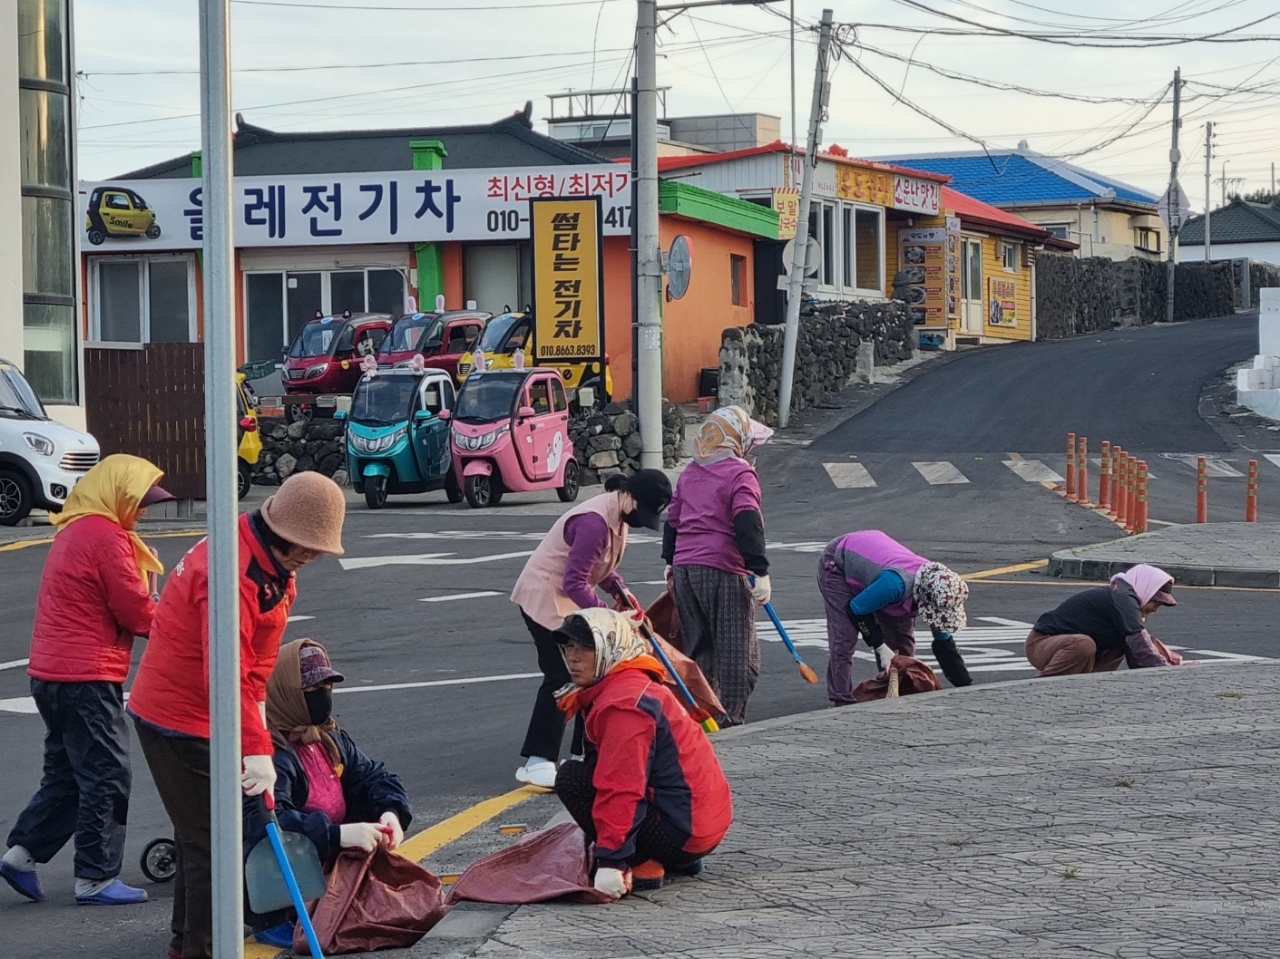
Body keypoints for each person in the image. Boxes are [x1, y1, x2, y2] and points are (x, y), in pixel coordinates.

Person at [127, 471, 346, 959]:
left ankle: (187, 945)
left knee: (201, 837)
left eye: (316, 551)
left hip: (213, 712)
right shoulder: (229, 574)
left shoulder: (276, 575)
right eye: (302, 548)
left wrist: (259, 738)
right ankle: (203, 951)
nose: (308, 559)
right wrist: (255, 748)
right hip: (172, 716)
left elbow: (256, 668)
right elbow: (224, 674)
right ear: (277, 531)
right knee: (212, 843)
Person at [1, 455, 173, 906]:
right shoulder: (107, 537)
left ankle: (21, 855)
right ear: (119, 494)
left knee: (68, 773)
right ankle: (95, 877)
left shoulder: (77, 528)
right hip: (86, 676)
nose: (143, 513)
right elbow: (136, 612)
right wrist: (174, 621)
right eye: (139, 503)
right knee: (106, 773)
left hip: (52, 674)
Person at [553, 608, 733, 898]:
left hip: (685, 831)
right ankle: (677, 858)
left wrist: (612, 860)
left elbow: (621, 786)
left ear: (610, 648)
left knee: (572, 779)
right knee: (593, 771)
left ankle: (644, 863)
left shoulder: (624, 704)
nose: (573, 657)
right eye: (569, 646)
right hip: (701, 824)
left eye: (586, 647)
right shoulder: (632, 681)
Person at [509, 469, 673, 788]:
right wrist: (610, 618)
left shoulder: (619, 515)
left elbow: (600, 568)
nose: (641, 519)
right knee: (562, 675)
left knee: (593, 672)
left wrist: (619, 591)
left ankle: (583, 756)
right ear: (629, 496)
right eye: (642, 511)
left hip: (568, 601)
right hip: (544, 599)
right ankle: (538, 761)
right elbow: (574, 581)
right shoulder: (593, 522)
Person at [244, 640, 412, 949]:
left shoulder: (327, 737)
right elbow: (265, 821)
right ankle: (272, 917)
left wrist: (392, 812)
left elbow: (375, 776)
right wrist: (336, 835)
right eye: (312, 689)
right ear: (287, 692)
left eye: (326, 685)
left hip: (323, 866)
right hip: (280, 875)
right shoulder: (270, 752)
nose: (322, 696)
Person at [661, 406, 772, 726]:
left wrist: (671, 562)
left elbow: (674, 521)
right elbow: (747, 521)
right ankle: (730, 721)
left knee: (701, 650)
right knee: (738, 655)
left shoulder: (690, 472)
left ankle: (701, 719)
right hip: (723, 569)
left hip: (685, 570)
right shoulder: (740, 474)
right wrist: (760, 570)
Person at [818, 530, 972, 706]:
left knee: (901, 645)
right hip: (839, 562)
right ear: (922, 599)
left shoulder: (942, 587)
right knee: (845, 638)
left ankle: (897, 691)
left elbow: (944, 642)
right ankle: (841, 699)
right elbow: (856, 610)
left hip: (881, 571)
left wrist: (965, 685)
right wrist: (881, 647)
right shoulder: (895, 585)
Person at [1026, 565, 1181, 677]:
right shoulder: (1123, 600)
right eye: (1156, 602)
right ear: (1146, 590)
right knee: (1084, 644)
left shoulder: (1126, 599)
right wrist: (1164, 672)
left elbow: (1138, 654)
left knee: (1126, 641)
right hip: (1042, 643)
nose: (1155, 609)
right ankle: (1044, 684)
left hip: (1073, 649)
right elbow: (1142, 647)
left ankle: (1093, 684)